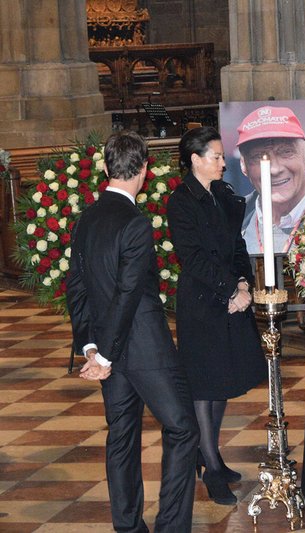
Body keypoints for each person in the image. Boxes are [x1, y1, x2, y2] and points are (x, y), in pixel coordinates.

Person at [66, 131, 199, 532]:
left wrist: (92, 348)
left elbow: (77, 287)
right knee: (183, 428)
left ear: (107, 168)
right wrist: (103, 355)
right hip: (144, 348)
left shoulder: (85, 219)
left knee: (121, 436)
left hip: (108, 350)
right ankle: (170, 527)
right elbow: (128, 294)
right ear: (143, 169)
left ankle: (127, 526)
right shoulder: (135, 223)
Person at [167, 126, 268, 505]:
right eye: (217, 157)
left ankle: (210, 454)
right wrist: (230, 290)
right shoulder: (181, 201)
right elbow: (192, 258)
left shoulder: (222, 193)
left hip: (230, 296)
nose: (224, 163)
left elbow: (238, 244)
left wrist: (243, 283)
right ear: (195, 160)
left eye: (223, 156)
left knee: (223, 380)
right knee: (204, 386)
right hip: (202, 303)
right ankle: (211, 467)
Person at [237, 105, 305, 254]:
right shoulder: (233, 223)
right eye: (259, 157)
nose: (275, 169)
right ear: (244, 164)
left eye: (286, 152)